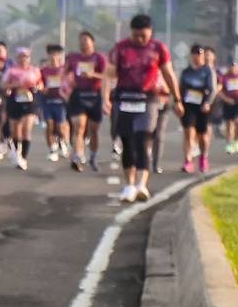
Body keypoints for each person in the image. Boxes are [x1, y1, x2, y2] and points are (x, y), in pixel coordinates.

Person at [110, 14, 172, 202]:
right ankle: (129, 185)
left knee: (142, 141)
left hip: (148, 100)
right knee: (127, 142)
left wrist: (176, 98)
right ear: (131, 32)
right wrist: (106, 97)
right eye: (136, 35)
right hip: (125, 99)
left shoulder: (158, 49)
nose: (139, 39)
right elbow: (109, 74)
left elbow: (168, 74)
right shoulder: (121, 48)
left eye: (143, 36)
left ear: (150, 32)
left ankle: (141, 185)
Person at [67, 29, 109, 173]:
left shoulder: (99, 58)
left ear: (93, 42)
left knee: (93, 129)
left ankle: (93, 156)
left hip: (94, 95)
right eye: (80, 40)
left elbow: (106, 76)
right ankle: (78, 155)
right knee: (79, 126)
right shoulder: (73, 57)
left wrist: (93, 75)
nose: (82, 43)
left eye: (85, 40)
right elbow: (64, 73)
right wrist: (67, 82)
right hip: (78, 94)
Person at [178, 41, 218, 175]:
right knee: (189, 132)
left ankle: (203, 157)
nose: (197, 57)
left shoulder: (208, 71)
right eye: (194, 54)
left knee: (202, 135)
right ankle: (188, 161)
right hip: (188, 105)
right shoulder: (186, 72)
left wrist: (208, 103)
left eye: (199, 54)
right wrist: (177, 103)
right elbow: (180, 88)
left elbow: (212, 89)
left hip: (202, 106)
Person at [0, 44, 43, 167]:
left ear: (29, 58)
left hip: (30, 101)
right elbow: (3, 85)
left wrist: (37, 86)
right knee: (15, 130)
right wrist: (15, 84)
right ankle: (16, 153)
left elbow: (41, 84)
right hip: (15, 100)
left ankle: (23, 157)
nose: (24, 59)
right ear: (17, 58)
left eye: (26, 57)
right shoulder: (11, 70)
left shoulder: (35, 70)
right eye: (21, 57)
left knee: (26, 128)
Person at [38, 41, 72, 162]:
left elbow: (70, 83)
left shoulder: (64, 70)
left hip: (60, 102)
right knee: (49, 124)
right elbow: (39, 83)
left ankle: (63, 143)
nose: (54, 57)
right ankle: (52, 149)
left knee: (60, 127)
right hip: (47, 101)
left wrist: (66, 93)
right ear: (48, 55)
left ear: (60, 56)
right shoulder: (43, 70)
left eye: (56, 54)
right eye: (51, 54)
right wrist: (42, 88)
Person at [218, 51, 238, 152]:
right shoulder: (224, 77)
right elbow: (219, 91)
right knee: (229, 124)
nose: (233, 68)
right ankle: (230, 144)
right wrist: (226, 99)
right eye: (231, 66)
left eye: (235, 66)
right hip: (228, 103)